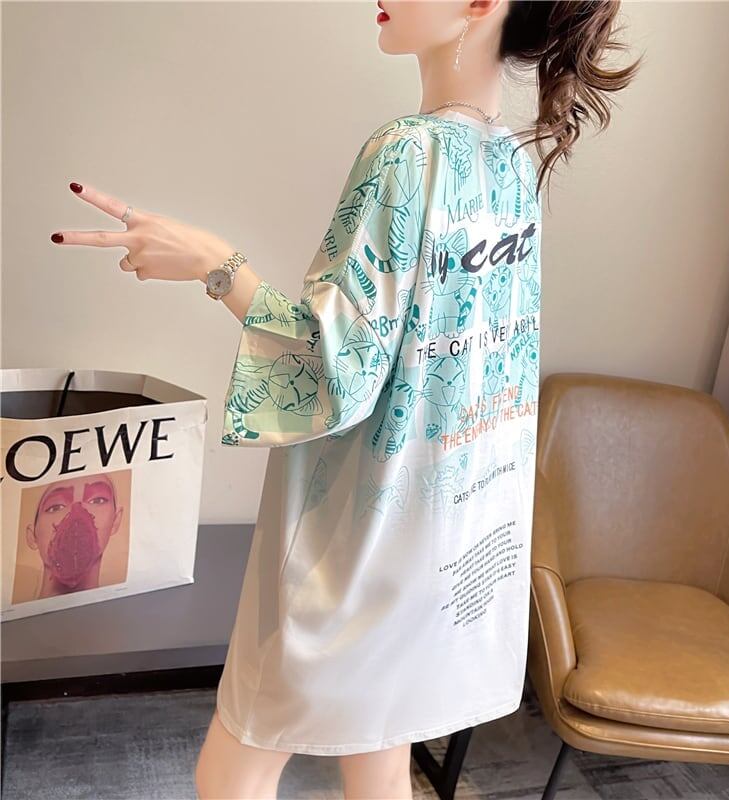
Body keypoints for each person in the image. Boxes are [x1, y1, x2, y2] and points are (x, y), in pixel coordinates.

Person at [50, 2, 641, 797]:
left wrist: (214, 264)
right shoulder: (511, 160)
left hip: (358, 545)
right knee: (379, 756)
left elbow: (337, 366)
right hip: (455, 531)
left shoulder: (407, 151)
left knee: (238, 762)